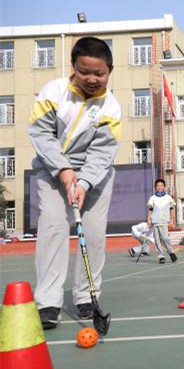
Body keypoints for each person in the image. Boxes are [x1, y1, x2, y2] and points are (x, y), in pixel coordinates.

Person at [30, 37, 121, 329]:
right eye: (85, 72)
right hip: (52, 170)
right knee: (54, 227)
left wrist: (84, 184)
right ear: (73, 67)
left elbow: (102, 152)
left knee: (93, 235)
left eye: (99, 73)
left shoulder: (112, 107)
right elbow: (41, 134)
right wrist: (65, 171)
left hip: (96, 176)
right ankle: (48, 302)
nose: (92, 79)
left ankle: (87, 296)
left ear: (110, 70)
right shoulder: (54, 92)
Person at [147, 179, 178, 264]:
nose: (159, 187)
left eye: (161, 185)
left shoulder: (168, 198)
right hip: (155, 221)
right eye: (157, 186)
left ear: (164, 187)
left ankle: (171, 252)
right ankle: (161, 256)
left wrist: (172, 219)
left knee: (165, 238)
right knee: (157, 239)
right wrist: (149, 219)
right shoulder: (152, 198)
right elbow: (150, 209)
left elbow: (172, 209)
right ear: (155, 187)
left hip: (164, 221)